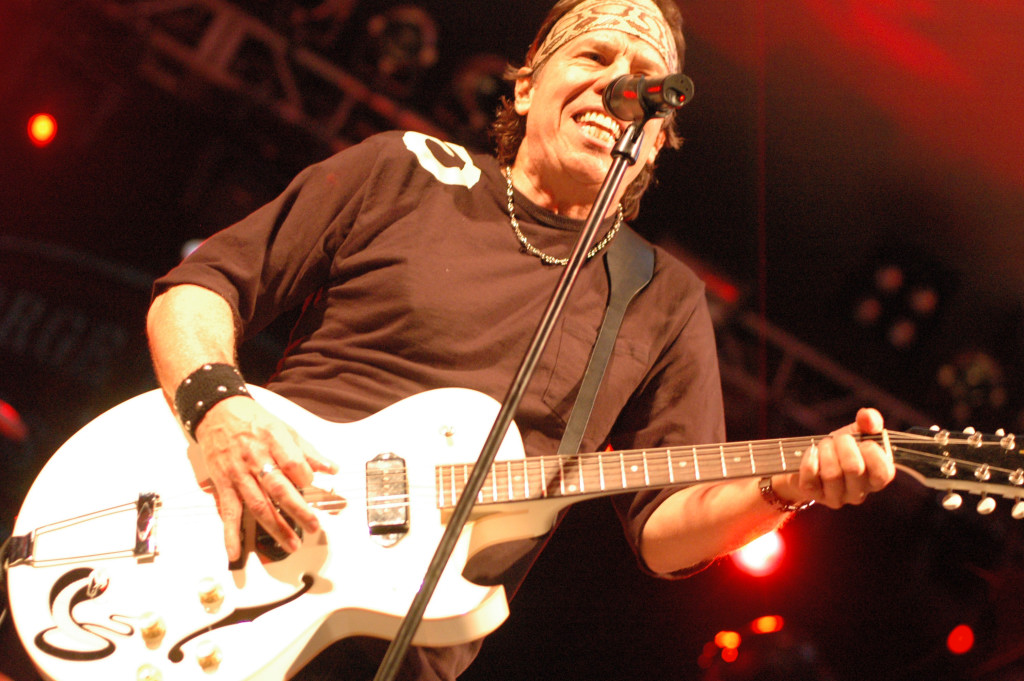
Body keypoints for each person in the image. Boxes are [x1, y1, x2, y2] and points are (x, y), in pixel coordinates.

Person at [145, 0, 896, 678]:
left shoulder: (660, 296)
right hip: (228, 546)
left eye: (646, 79)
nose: (620, 86)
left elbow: (665, 530)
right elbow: (199, 288)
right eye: (595, 56)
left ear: (659, 139)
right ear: (527, 87)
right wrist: (221, 412)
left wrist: (787, 488)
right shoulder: (401, 170)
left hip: (398, 645)